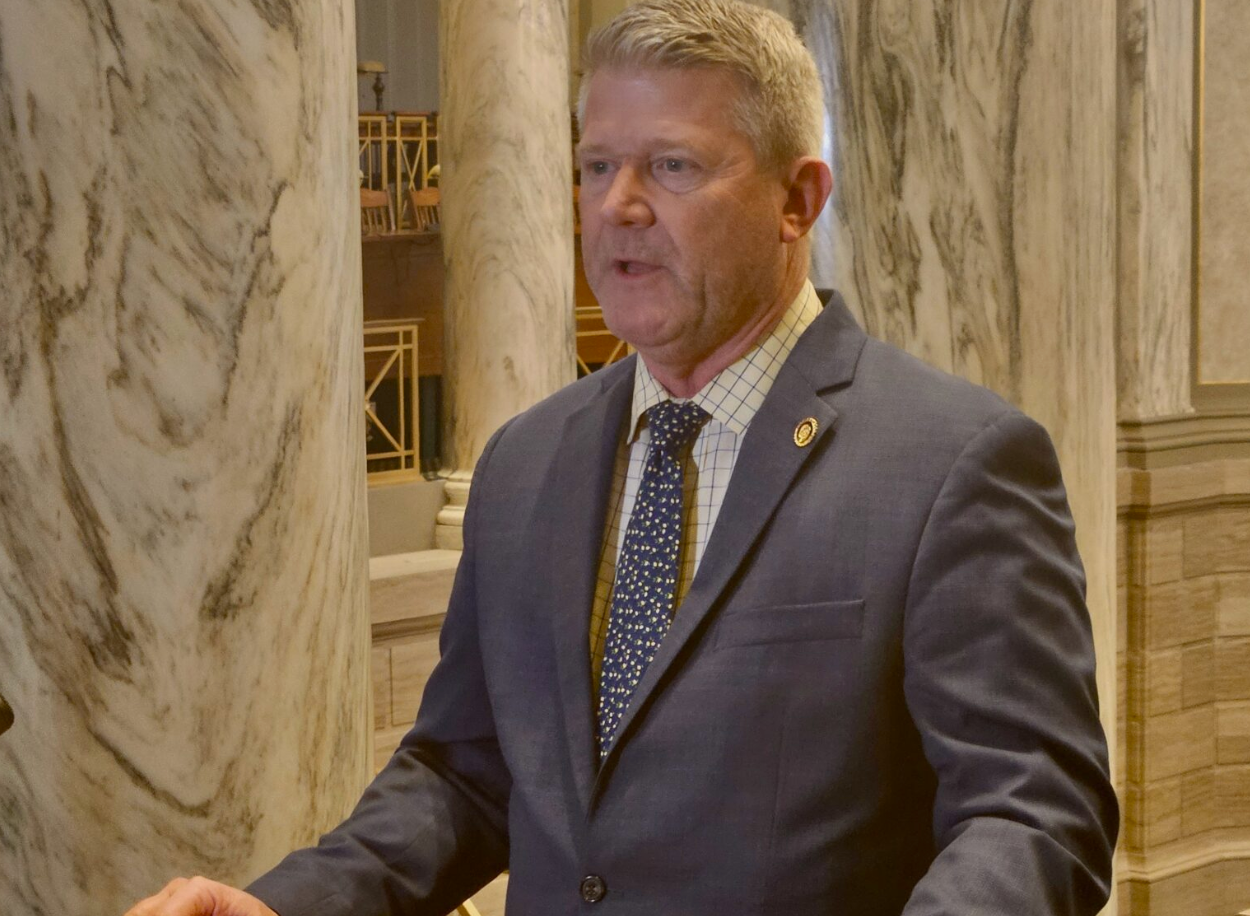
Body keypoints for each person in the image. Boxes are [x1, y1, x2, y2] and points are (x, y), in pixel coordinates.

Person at [125, 1, 1118, 914]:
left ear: (798, 198)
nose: (619, 207)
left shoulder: (953, 465)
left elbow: (1032, 815)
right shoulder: (525, 462)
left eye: (672, 167)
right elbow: (464, 774)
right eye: (597, 167)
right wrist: (284, 905)